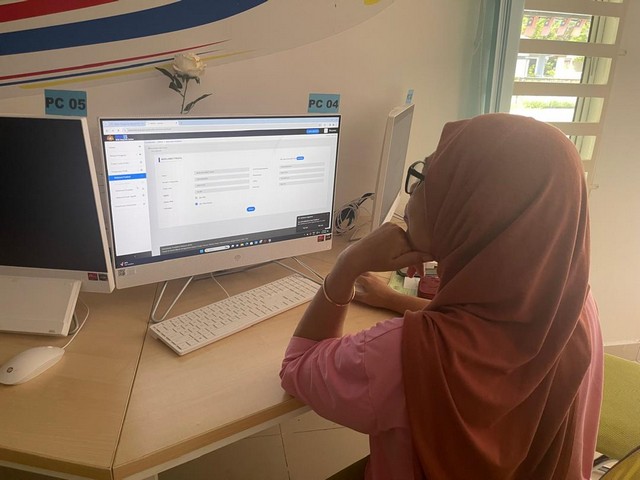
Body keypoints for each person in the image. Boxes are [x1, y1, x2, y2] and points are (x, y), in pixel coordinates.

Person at [280, 113, 603, 479]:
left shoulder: (406, 354)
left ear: (470, 208)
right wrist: (392, 299)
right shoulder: (576, 303)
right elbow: (496, 332)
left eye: (427, 179)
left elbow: (296, 367)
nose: (413, 192)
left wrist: (346, 267)